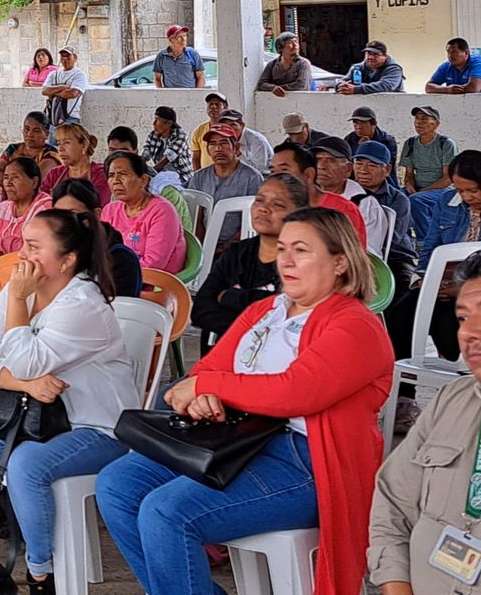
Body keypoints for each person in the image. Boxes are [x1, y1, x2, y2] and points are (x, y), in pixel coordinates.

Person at [96, 207, 392, 595]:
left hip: (305, 461)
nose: (285, 259)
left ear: (340, 261)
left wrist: (212, 386)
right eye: (282, 248)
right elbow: (205, 371)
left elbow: (294, 391)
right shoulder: (266, 311)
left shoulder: (355, 325)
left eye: (301, 250)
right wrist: (203, 393)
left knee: (167, 512)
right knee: (118, 485)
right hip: (234, 441)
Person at [0, 207, 137, 595]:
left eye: (34, 247)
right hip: (33, 420)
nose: (23, 255)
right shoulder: (19, 289)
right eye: (23, 243)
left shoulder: (82, 304)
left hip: (96, 427)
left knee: (26, 465)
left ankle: (42, 573)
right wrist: (25, 385)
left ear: (67, 260)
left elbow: (23, 357)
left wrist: (18, 306)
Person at [370, 251, 481, 594]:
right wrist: (396, 585)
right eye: (463, 318)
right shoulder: (452, 400)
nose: (470, 334)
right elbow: (391, 503)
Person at [385, 151, 481, 393]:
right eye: (461, 190)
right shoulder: (447, 202)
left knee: (447, 320)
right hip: (444, 286)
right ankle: (405, 394)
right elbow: (430, 247)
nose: (466, 197)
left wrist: (464, 288)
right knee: (402, 312)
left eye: (473, 190)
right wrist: (425, 279)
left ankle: (462, 382)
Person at [191, 172, 311, 339]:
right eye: (259, 200)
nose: (263, 208)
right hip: (220, 356)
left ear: (300, 212)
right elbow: (200, 310)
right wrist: (259, 311)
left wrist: (229, 296)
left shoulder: (302, 264)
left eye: (277, 204)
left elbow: (286, 320)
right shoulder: (236, 254)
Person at [50, 178, 141, 299]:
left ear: (96, 214)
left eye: (74, 213)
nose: (66, 222)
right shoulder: (54, 251)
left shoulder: (120, 259)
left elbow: (117, 311)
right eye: (58, 215)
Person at [270, 140, 369, 247]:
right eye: (272, 171)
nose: (276, 178)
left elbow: (351, 257)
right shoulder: (275, 208)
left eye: (284, 170)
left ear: (308, 174)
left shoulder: (343, 210)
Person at [101, 150, 187, 272]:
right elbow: (99, 250)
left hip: (155, 284)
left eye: (123, 174)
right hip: (116, 277)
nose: (115, 181)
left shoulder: (162, 211)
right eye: (111, 175)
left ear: (143, 180)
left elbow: (153, 264)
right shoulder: (110, 210)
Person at [352, 140, 418, 288]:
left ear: (387, 170)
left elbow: (390, 240)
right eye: (359, 163)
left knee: (406, 288)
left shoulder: (399, 200)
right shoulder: (348, 193)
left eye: (372, 165)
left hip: (396, 257)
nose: (363, 170)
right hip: (355, 254)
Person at [0, 156, 52, 261]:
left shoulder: (46, 209)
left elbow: (36, 248)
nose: (8, 183)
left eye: (15, 177)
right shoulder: (2, 208)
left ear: (34, 182)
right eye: (6, 177)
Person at [186, 121, 265, 227]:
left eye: (224, 143)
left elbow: (254, 219)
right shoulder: (199, 177)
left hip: (241, 241)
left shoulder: (252, 178)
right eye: (212, 144)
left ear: (236, 148)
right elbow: (196, 219)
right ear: (208, 151)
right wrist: (203, 243)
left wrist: (230, 244)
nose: (218, 148)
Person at [400, 104, 457, 200]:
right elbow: (409, 174)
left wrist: (423, 191)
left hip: (442, 189)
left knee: (415, 200)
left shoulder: (446, 144)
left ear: (436, 124)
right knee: (396, 197)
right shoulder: (410, 143)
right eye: (417, 119)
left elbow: (448, 178)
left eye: (424, 119)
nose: (419, 122)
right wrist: (410, 188)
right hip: (418, 189)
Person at [39, 123, 108, 200]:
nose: (61, 149)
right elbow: (42, 200)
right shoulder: (55, 174)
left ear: (84, 145)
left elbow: (97, 201)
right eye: (59, 144)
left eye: (66, 142)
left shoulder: (100, 173)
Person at [0, 112, 61, 185]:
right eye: (27, 129)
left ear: (46, 134)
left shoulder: (51, 154)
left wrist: (8, 181)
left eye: (36, 131)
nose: (30, 134)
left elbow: (35, 183)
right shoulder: (13, 148)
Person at [140, 105, 192, 184]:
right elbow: (145, 153)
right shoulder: (153, 135)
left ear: (169, 123)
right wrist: (136, 165)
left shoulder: (181, 136)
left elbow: (166, 159)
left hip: (181, 178)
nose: (153, 123)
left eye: (157, 120)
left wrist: (148, 173)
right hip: (162, 176)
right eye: (154, 119)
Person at [40, 47, 89, 125]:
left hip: (70, 117)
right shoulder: (54, 74)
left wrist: (53, 92)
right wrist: (63, 87)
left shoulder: (79, 75)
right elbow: (44, 91)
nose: (65, 59)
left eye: (68, 57)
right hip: (53, 117)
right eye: (63, 57)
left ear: (75, 58)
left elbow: (72, 94)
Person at [337, 39, 406, 94]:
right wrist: (341, 86)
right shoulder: (357, 68)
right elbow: (343, 81)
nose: (371, 57)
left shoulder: (394, 69)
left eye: (376, 54)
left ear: (384, 56)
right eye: (368, 54)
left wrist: (356, 89)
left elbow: (386, 86)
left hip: (393, 104)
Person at [256, 30, 315, 95]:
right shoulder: (272, 64)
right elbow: (261, 84)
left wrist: (278, 89)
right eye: (290, 43)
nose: (295, 45)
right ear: (281, 48)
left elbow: (301, 85)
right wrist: (273, 88)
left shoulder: (303, 63)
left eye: (296, 42)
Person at [218, 108, 274, 173]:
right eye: (225, 126)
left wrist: (238, 155)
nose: (229, 129)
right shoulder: (226, 139)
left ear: (242, 125)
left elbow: (257, 171)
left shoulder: (257, 141)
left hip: (264, 178)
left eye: (233, 125)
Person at [153, 25, 205, 89]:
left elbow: (200, 76)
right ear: (171, 40)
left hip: (189, 96)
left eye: (184, 36)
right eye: (179, 37)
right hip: (170, 96)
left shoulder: (192, 53)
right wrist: (162, 94)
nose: (183, 39)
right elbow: (157, 78)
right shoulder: (162, 56)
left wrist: (196, 95)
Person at [189, 91, 230, 170]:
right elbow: (196, 158)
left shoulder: (230, 129)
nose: (213, 107)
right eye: (210, 104)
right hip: (206, 177)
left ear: (225, 109)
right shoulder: (199, 130)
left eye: (217, 105)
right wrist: (197, 176)